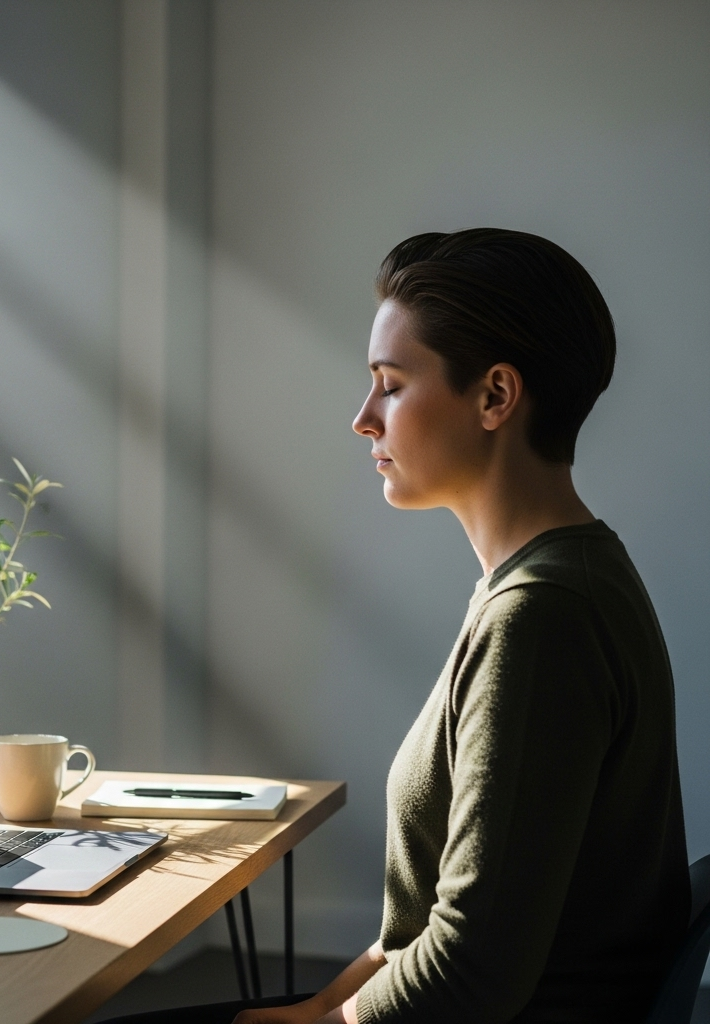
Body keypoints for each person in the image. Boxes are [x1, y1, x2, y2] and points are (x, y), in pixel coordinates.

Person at [106, 228, 690, 1024]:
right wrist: (318, 1007)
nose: (363, 419)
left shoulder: (542, 616)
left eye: (390, 385)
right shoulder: (557, 579)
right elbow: (419, 930)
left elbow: (470, 973)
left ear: (495, 396)